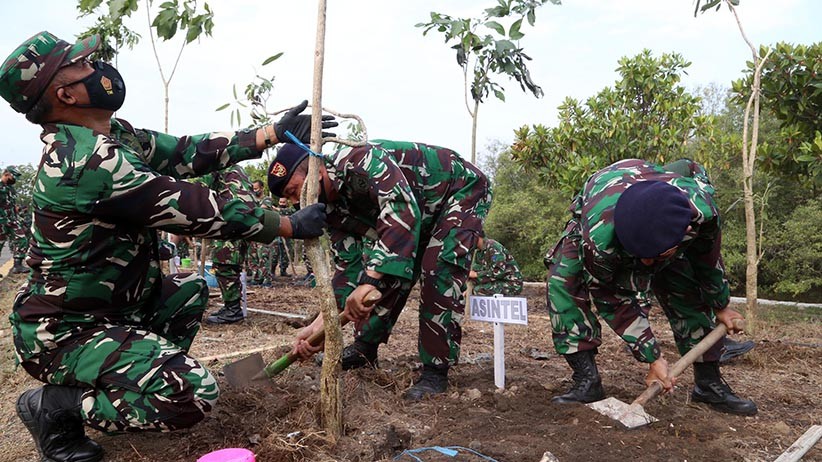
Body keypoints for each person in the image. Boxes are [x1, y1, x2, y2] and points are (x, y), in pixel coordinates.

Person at [0, 31, 334, 462]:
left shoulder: (115, 137)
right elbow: (188, 206)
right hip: (66, 331)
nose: (96, 69)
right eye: (81, 65)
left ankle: (137, 377)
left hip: (114, 312)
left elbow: (185, 152)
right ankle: (56, 405)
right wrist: (285, 224)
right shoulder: (83, 161)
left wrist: (270, 134)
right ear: (65, 94)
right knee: (192, 394)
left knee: (188, 291)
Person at [269, 140, 492, 401]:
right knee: (384, 271)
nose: (296, 202)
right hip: (419, 213)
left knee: (437, 270)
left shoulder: (360, 160)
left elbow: (401, 209)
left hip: (458, 191)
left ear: (316, 172)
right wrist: (320, 326)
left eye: (294, 191)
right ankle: (364, 350)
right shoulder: (327, 208)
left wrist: (370, 279)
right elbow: (347, 266)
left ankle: (435, 371)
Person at [545, 158, 757, 416]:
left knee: (685, 287)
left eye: (655, 256)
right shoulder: (599, 242)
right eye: (642, 256)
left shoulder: (703, 212)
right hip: (600, 212)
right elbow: (612, 299)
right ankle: (586, 381)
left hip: (663, 213)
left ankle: (708, 384)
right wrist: (652, 356)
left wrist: (720, 305)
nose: (646, 264)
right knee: (563, 283)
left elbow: (707, 260)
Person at [203, 166, 255, 324]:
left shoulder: (214, 167)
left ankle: (233, 310)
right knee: (231, 266)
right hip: (247, 220)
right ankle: (231, 306)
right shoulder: (236, 169)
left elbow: (201, 189)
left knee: (224, 265)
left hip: (232, 220)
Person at [0, 165, 28, 274]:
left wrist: (18, 210)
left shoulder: (11, 189)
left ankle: (17, 266)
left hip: (12, 221)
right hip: (1, 221)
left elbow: (12, 205)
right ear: (6, 174)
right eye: (13, 177)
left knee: (22, 239)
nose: (15, 179)